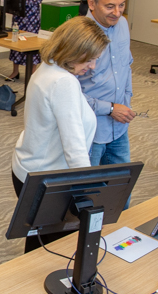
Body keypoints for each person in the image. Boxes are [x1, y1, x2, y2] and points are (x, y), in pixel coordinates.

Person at [11, 17, 105, 252]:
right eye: (90, 59)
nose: (92, 66)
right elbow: (74, 146)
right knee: (48, 250)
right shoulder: (64, 82)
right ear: (74, 50)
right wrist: (88, 191)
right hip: (47, 181)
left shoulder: (48, 66)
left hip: (29, 169)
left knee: (38, 243)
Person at [78, 0, 135, 171]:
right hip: (92, 131)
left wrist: (126, 101)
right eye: (110, 6)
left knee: (120, 188)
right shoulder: (79, 35)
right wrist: (110, 108)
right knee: (86, 191)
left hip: (119, 128)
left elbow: (126, 66)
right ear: (92, 3)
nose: (117, 13)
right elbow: (68, 92)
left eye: (122, 5)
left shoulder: (123, 26)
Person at [6, 0, 44, 81]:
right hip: (18, 15)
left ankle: (32, 74)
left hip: (31, 17)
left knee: (31, 45)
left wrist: (24, 1)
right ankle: (15, 71)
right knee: (15, 42)